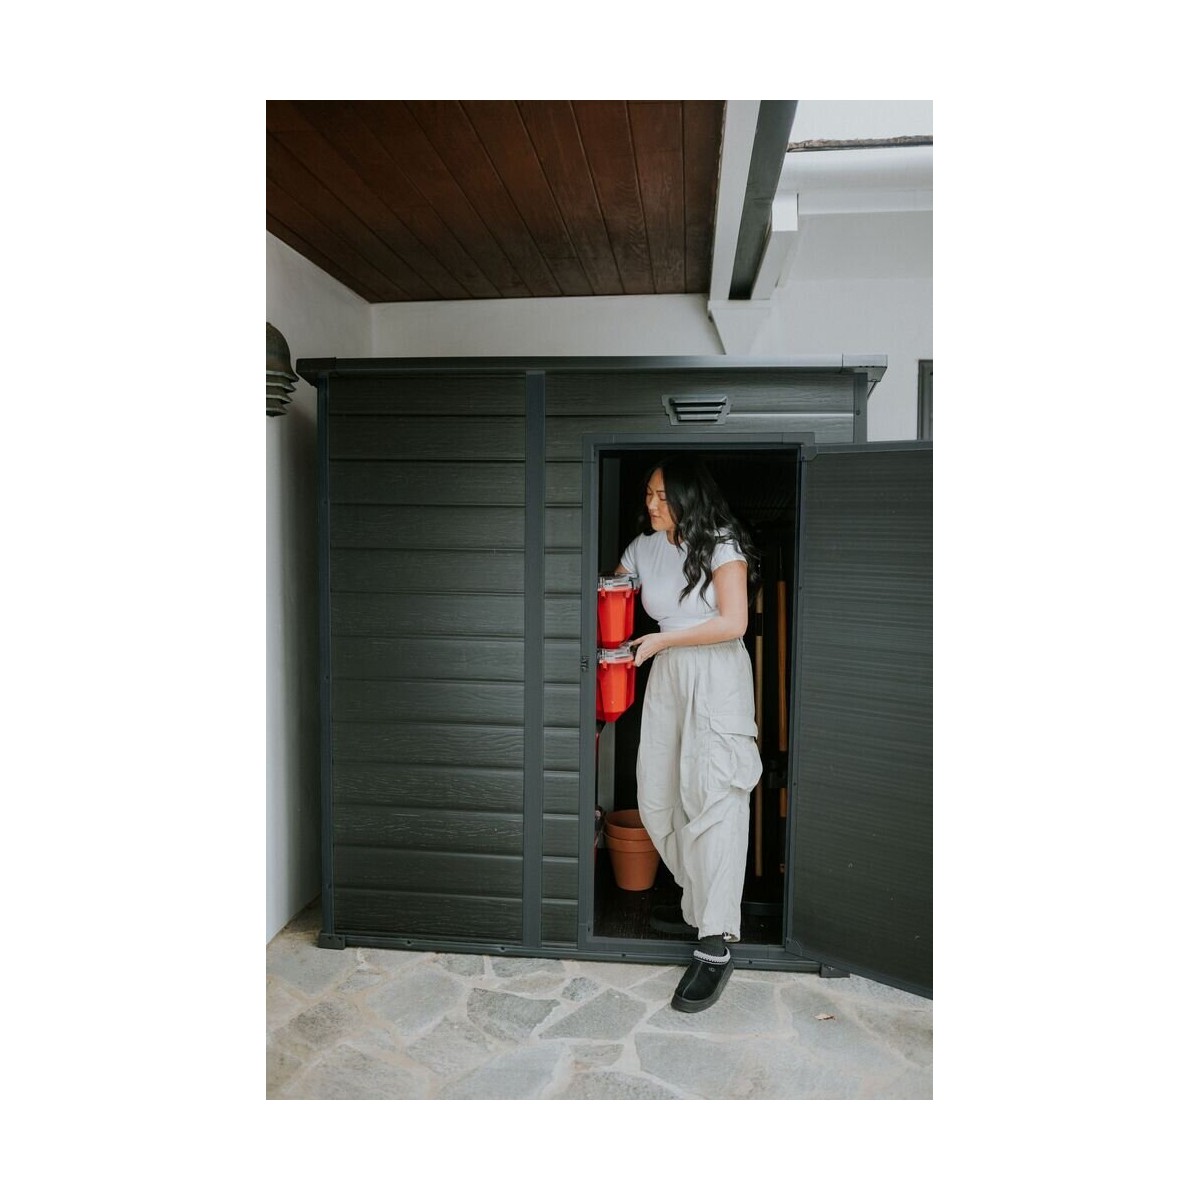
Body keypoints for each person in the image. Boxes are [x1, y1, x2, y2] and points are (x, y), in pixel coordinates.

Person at [614, 456, 763, 1012]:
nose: (651, 504)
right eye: (648, 494)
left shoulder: (721, 544)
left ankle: (714, 941)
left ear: (688, 498)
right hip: (668, 673)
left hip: (716, 671)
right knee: (658, 796)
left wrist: (661, 641)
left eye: (662, 496)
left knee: (715, 795)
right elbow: (610, 594)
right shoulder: (642, 548)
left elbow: (733, 622)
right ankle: (699, 903)